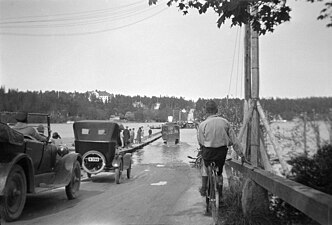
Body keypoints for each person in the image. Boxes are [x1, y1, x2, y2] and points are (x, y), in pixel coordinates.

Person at [197, 100, 244, 201]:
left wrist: (203, 148)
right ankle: (220, 195)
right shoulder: (225, 122)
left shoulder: (202, 124)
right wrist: (241, 155)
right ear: (217, 110)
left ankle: (204, 187)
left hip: (208, 152)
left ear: (206, 111)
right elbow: (234, 140)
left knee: (205, 167)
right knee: (219, 173)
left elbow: (201, 141)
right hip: (221, 153)